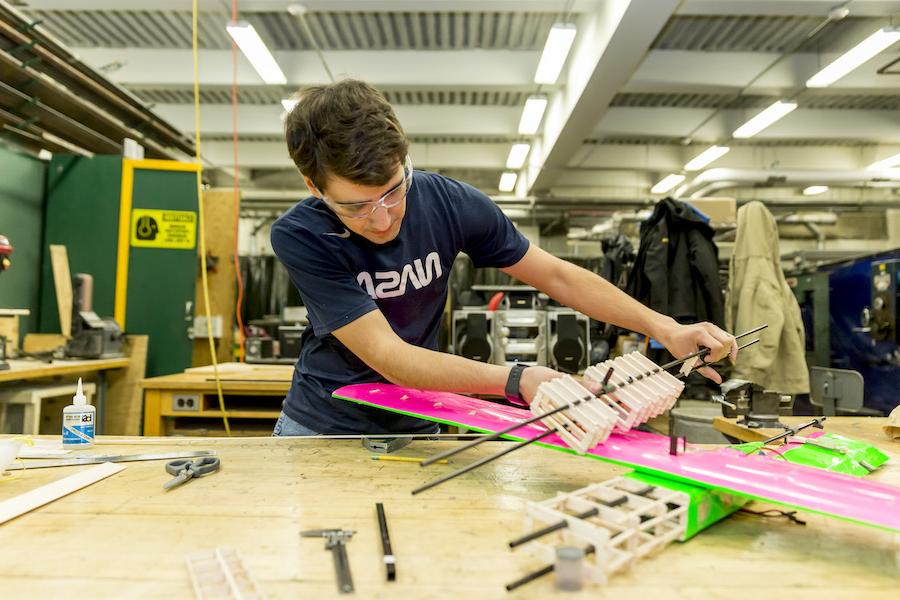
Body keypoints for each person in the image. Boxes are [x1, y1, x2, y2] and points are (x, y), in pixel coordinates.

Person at [270, 79, 737, 437]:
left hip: (420, 415)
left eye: (393, 191)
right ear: (314, 187)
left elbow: (557, 275)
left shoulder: (449, 203)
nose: (382, 217)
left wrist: (665, 327)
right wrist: (518, 379)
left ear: (403, 159)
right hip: (323, 425)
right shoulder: (302, 235)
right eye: (356, 205)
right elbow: (391, 358)